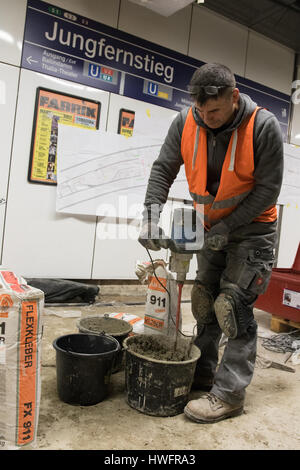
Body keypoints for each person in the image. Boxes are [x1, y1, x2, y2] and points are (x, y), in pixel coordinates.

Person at [138, 63, 283, 423]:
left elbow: (268, 191)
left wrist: (227, 225)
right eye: (201, 110)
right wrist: (150, 216)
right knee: (205, 303)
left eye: (214, 110)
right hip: (209, 226)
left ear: (233, 97)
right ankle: (202, 376)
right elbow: (163, 169)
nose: (207, 118)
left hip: (252, 230)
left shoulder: (263, 127)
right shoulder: (186, 122)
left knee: (232, 308)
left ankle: (229, 395)